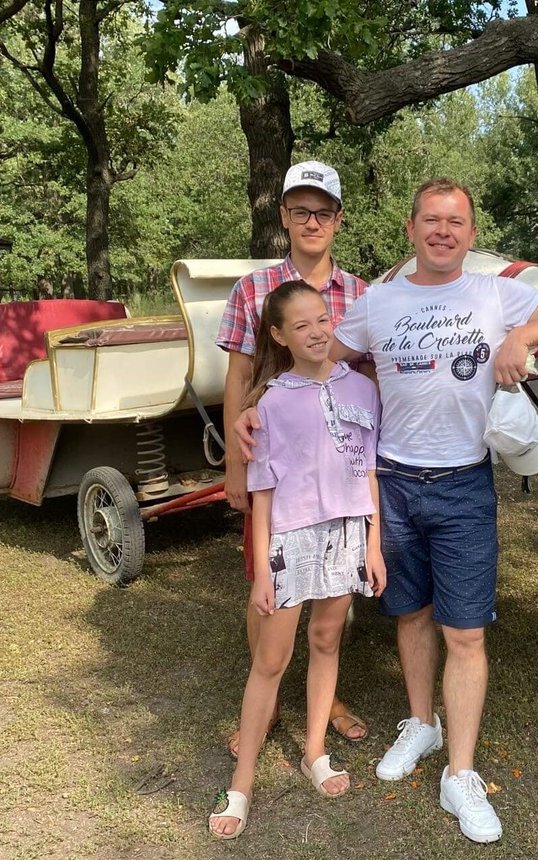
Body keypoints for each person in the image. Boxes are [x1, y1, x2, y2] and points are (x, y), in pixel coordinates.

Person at [331, 178, 538, 843]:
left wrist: (519, 336)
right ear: (411, 230)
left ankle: (460, 774)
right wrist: (262, 413)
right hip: (394, 481)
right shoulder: (377, 302)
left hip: (464, 484)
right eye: (432, 221)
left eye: (456, 222)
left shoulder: (492, 293)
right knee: (409, 613)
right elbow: (321, 356)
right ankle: (421, 723)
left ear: (471, 235)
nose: (443, 231)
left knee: (465, 632)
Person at [208, 280, 385, 840]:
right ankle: (241, 783)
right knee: (271, 659)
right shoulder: (270, 404)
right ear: (280, 336)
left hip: (348, 531)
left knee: (328, 640)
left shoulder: (362, 389)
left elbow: (369, 471)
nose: (316, 332)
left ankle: (314, 752)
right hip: (292, 539)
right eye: (301, 325)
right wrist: (263, 569)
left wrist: (373, 544)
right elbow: (261, 494)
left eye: (323, 319)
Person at [216, 160, 371, 756]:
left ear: (337, 219)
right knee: (269, 581)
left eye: (323, 211)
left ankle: (325, 697)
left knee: (334, 585)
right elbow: (236, 377)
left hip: (335, 469)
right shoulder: (252, 290)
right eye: (300, 210)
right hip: (273, 465)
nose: (312, 221)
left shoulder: (360, 294)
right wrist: (235, 459)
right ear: (283, 216)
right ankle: (268, 700)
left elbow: (369, 379)